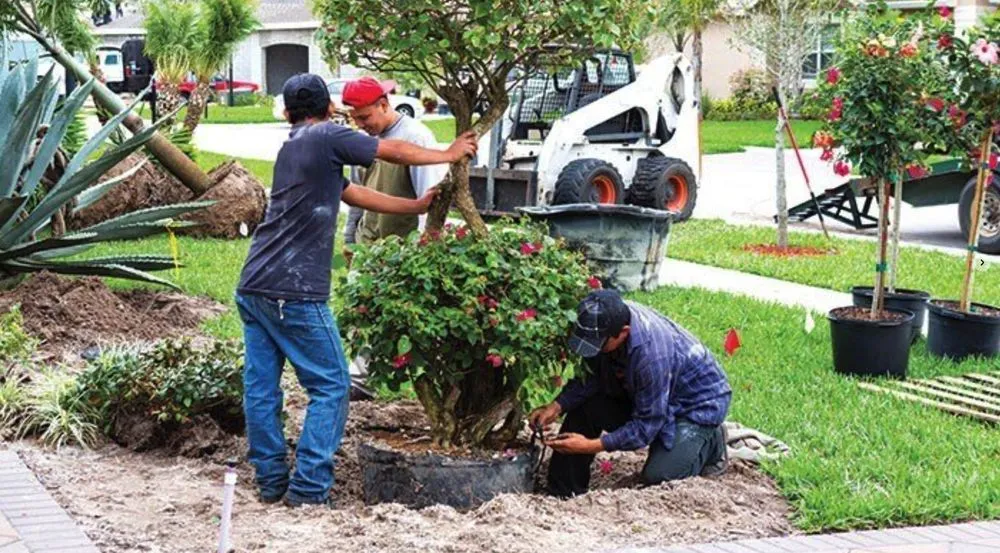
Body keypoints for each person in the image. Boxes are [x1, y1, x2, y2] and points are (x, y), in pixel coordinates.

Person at [235, 73, 477, 508]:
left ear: (289, 112)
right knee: (332, 385)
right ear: (330, 109)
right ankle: (308, 490)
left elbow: (353, 193)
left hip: (254, 285)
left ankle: (271, 482)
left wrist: (415, 207)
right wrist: (448, 151)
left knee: (262, 388)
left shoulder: (293, 145)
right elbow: (394, 150)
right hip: (295, 291)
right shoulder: (325, 135)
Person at [529, 289, 732, 498]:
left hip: (695, 405)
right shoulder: (604, 322)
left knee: (659, 476)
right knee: (586, 405)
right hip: (652, 394)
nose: (593, 350)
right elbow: (592, 377)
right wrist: (556, 406)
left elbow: (647, 425)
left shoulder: (650, 358)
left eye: (599, 345)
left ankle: (710, 441)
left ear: (624, 333)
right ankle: (564, 491)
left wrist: (589, 446)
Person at [341, 77, 447, 256]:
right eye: (354, 118)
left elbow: (430, 201)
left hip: (403, 253)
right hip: (367, 247)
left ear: (383, 105)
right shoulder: (360, 141)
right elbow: (355, 195)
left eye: (364, 117)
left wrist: (423, 252)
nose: (359, 124)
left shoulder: (415, 137)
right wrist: (350, 240)